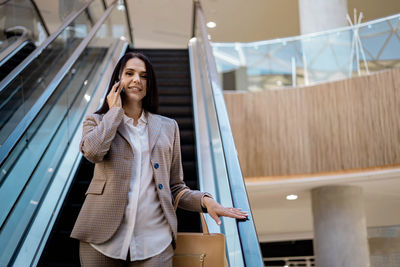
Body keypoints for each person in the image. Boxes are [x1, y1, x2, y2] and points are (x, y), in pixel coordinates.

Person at [70, 52, 248, 267]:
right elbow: (92, 152)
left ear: (149, 83)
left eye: (144, 76)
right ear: (118, 80)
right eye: (129, 73)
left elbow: (175, 187)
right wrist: (114, 113)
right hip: (100, 239)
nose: (137, 79)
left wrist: (206, 201)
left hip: (155, 242)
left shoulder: (168, 127)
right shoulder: (97, 121)